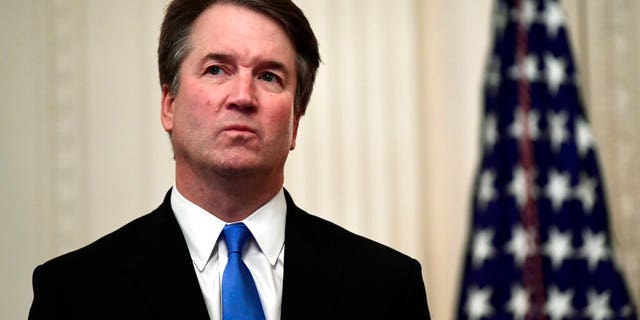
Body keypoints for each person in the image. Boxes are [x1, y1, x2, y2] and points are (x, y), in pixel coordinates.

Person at [28, 0, 431, 319]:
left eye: (269, 76)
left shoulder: (386, 287)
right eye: (217, 69)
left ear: (295, 122)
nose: (242, 96)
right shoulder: (73, 292)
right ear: (169, 105)